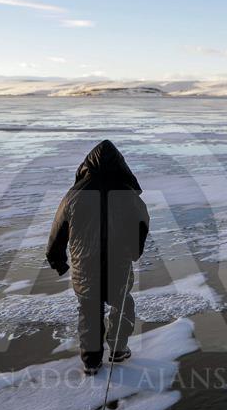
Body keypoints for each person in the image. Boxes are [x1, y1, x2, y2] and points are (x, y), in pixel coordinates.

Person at [46, 140, 150, 375]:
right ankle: (118, 349)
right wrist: (134, 250)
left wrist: (57, 260)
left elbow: (57, 230)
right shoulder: (127, 193)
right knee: (123, 304)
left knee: (89, 311)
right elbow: (142, 223)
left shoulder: (74, 195)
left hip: (85, 266)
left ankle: (91, 362)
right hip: (118, 264)